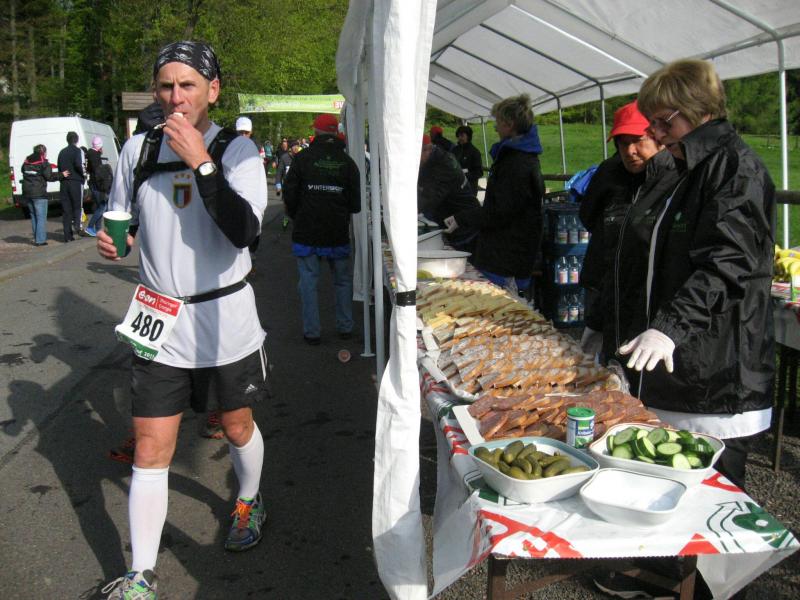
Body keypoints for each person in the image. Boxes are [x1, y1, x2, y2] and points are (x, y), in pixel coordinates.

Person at [97, 40, 269, 599]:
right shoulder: (138, 149)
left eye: (188, 85)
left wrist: (201, 161)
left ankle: (248, 499)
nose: (176, 96)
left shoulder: (239, 152)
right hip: (158, 318)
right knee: (150, 447)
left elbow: (244, 231)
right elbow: (122, 218)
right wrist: (115, 240)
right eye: (167, 85)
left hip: (224, 317)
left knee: (236, 425)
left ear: (212, 91)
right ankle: (140, 574)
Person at [619, 59, 775, 492]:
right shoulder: (690, 169)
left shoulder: (735, 169)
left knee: (710, 494)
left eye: (664, 121)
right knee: (667, 485)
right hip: (686, 367)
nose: (656, 133)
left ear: (699, 110)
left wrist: (669, 328)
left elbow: (727, 263)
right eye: (652, 123)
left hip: (717, 376)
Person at [578, 101, 679, 379]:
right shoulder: (610, 172)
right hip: (608, 289)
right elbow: (588, 215)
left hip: (649, 305)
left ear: (658, 138)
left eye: (638, 140)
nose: (630, 151)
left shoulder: (674, 178)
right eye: (623, 143)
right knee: (610, 371)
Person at [444, 93, 545, 295]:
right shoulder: (519, 157)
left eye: (498, 122)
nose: (496, 127)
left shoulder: (516, 162)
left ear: (509, 124)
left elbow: (499, 211)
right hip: (509, 252)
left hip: (506, 257)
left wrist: (462, 218)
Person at [283, 113, 361, 345]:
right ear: (337, 133)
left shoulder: (302, 158)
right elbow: (356, 204)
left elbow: (289, 194)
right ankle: (345, 327)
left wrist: (297, 214)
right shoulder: (348, 163)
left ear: (315, 132)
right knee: (342, 281)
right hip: (337, 231)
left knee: (308, 282)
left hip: (307, 230)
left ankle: (312, 332)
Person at [418, 134, 480, 253]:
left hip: (464, 224)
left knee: (464, 258)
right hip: (450, 220)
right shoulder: (432, 160)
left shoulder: (444, 164)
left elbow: (430, 198)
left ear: (427, 149)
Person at [21, 144, 69, 246]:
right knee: (41, 217)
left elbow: (23, 171)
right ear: (44, 152)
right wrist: (61, 174)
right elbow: (49, 177)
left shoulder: (26, 161)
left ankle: (37, 238)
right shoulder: (44, 162)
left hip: (27, 193)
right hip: (39, 193)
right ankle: (40, 240)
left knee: (34, 216)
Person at [57, 131, 85, 242]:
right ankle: (77, 226)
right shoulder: (77, 151)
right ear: (76, 140)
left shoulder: (62, 152)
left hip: (64, 182)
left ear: (67, 140)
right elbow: (78, 165)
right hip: (75, 181)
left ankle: (67, 235)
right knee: (77, 206)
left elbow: (59, 166)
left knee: (66, 209)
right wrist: (82, 174)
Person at [85, 136, 109, 237]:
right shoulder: (95, 155)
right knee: (102, 206)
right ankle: (90, 227)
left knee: (99, 206)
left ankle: (98, 229)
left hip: (93, 183)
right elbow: (98, 172)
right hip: (97, 185)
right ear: (99, 146)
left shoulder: (90, 154)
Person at [451, 124, 483, 196]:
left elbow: (479, 172)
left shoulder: (474, 152)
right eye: (458, 136)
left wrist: (464, 175)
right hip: (455, 188)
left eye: (462, 136)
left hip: (469, 189)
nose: (459, 138)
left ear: (468, 136)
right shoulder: (454, 150)